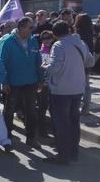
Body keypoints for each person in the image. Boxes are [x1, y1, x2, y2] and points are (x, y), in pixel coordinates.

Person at [42, 21, 95, 165]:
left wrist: (44, 65)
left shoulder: (59, 45)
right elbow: (91, 62)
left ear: (54, 33)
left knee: (62, 123)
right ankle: (73, 152)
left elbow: (55, 68)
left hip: (61, 90)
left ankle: (63, 155)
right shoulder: (81, 43)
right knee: (73, 121)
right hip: (78, 88)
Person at [0, 17, 42, 148]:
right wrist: (4, 82)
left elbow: (38, 62)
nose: (32, 30)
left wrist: (40, 79)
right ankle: (7, 138)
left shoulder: (33, 41)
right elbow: (1, 63)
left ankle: (31, 138)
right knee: (9, 110)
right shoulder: (7, 42)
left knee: (31, 111)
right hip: (13, 82)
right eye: (30, 27)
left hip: (31, 81)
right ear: (21, 27)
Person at [74, 13, 95, 115]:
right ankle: (86, 107)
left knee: (78, 85)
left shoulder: (78, 34)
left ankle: (77, 106)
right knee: (86, 86)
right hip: (87, 62)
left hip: (78, 62)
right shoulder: (91, 32)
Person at [37, 30, 55, 137]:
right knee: (42, 107)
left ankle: (54, 130)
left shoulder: (55, 51)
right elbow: (39, 69)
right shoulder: (39, 52)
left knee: (53, 108)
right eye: (45, 38)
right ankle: (42, 130)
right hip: (43, 84)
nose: (47, 40)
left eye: (49, 38)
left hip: (54, 84)